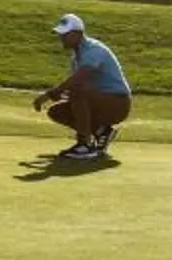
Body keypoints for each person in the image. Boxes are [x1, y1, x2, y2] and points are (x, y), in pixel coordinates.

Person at [35, 13, 132, 159]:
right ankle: (102, 132)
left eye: (65, 34)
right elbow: (82, 88)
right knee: (57, 111)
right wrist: (63, 94)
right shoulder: (76, 56)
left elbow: (79, 79)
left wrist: (51, 94)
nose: (61, 38)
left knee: (76, 91)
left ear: (78, 34)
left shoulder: (93, 50)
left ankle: (85, 145)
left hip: (118, 103)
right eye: (61, 35)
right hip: (101, 101)